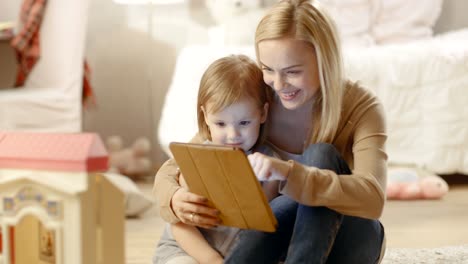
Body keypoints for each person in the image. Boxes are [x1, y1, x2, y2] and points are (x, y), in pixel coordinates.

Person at [154, 0, 387, 263]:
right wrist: (174, 199)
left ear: (325, 62)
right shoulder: (256, 101)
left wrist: (289, 174)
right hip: (284, 240)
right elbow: (176, 167)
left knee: (321, 157)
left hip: (348, 235)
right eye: (268, 69)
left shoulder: (361, 106)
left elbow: (373, 199)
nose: (278, 84)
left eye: (293, 71)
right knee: (287, 205)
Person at [153, 54, 280, 264]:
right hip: (186, 250)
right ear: (205, 117)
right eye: (220, 124)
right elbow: (180, 225)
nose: (233, 135)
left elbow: (262, 227)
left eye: (244, 122)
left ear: (263, 113)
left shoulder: (270, 164)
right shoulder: (199, 159)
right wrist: (212, 260)